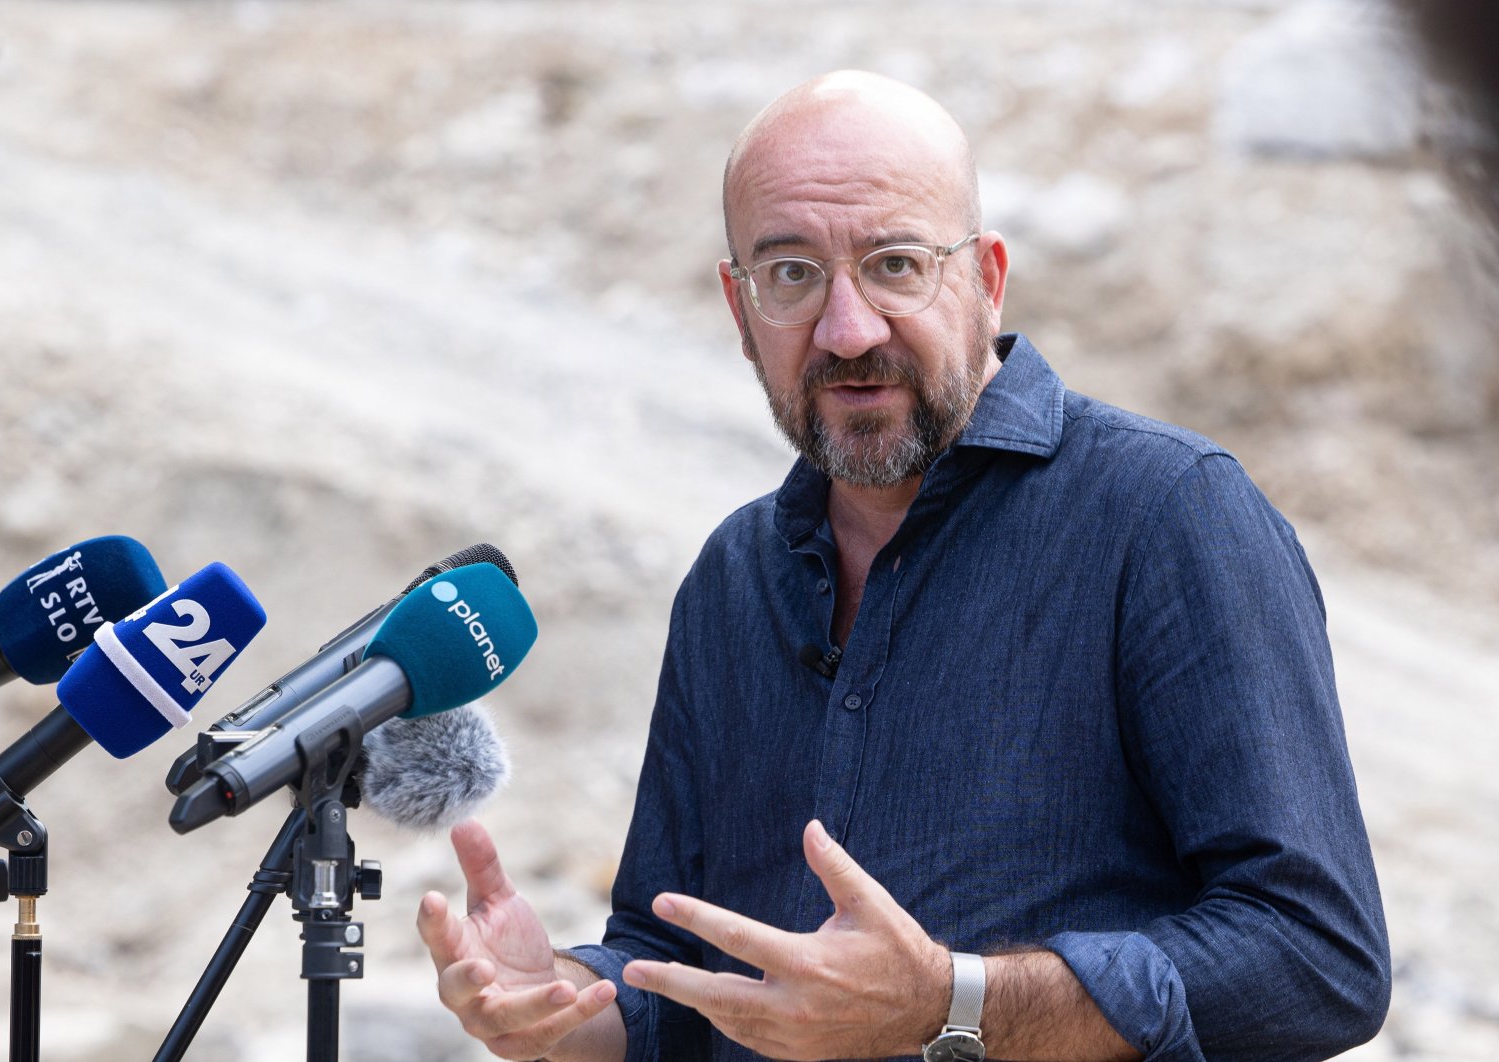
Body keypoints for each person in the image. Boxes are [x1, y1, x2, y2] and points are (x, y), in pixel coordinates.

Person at [417, 71, 1391, 1062]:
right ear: (738, 305)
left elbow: (1315, 959)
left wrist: (949, 1002)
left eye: (894, 264)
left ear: (986, 278)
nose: (847, 330)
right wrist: (570, 1006)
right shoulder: (731, 579)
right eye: (790, 274)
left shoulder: (1166, 514)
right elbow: (681, 968)